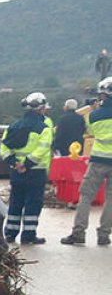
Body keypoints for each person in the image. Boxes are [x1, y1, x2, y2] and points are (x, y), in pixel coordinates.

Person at [61, 77, 112, 245]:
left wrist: (97, 107)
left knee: (86, 196)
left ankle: (79, 233)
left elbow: (90, 130)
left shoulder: (94, 116)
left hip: (98, 160)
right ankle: (104, 235)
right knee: (111, 199)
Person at [1, 92, 53, 244]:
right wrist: (27, 163)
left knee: (15, 202)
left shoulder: (12, 127)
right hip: (35, 172)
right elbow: (43, 149)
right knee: (33, 204)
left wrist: (15, 162)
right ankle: (28, 235)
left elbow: (4, 149)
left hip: (16, 172)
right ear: (41, 109)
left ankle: (10, 233)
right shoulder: (44, 128)